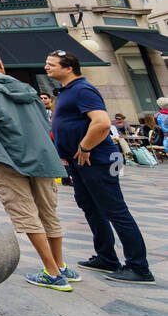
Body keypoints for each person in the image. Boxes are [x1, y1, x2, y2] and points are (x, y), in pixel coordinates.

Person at [0, 49, 74, 292]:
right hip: (41, 155)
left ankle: (52, 272)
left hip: (8, 158)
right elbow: (43, 121)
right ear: (1, 64)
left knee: (25, 213)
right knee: (49, 211)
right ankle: (60, 264)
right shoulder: (27, 88)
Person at [46, 50, 154, 284]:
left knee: (115, 210)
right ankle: (106, 257)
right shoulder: (68, 91)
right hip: (80, 162)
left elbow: (102, 123)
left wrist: (84, 147)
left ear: (68, 68)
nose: (47, 67)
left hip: (97, 159)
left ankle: (139, 267)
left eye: (51, 64)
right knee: (91, 208)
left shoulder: (82, 90)